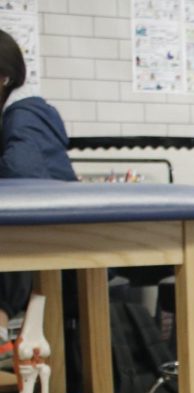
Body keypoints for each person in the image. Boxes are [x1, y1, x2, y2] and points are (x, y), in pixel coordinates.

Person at [0, 28, 76, 340]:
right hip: (49, 247)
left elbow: (24, 192)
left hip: (65, 253)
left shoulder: (24, 118)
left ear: (3, 78)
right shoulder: (20, 116)